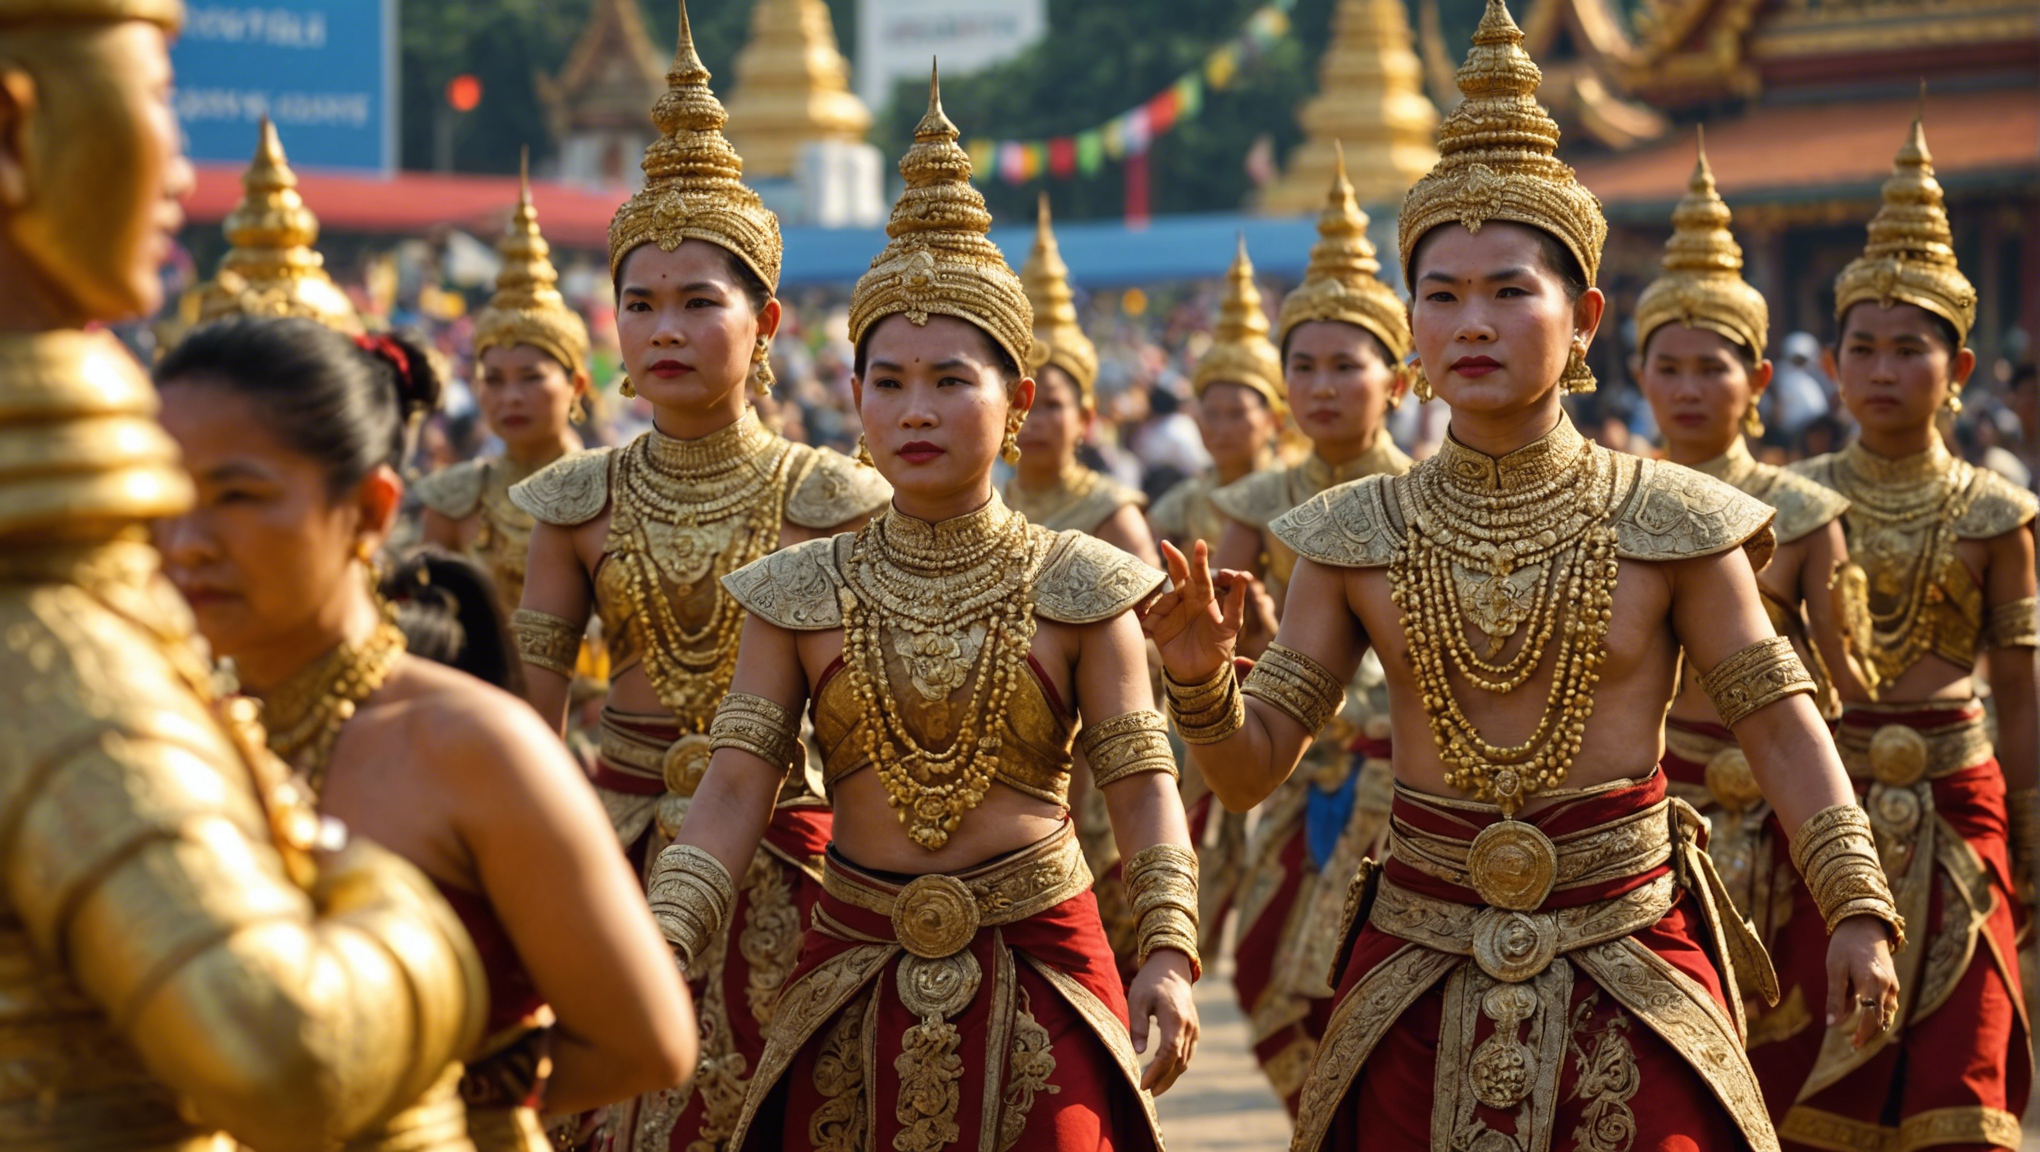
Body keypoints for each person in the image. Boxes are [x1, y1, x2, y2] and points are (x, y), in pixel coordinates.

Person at [1141, 4, 1902, 1149]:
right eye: (1441, 297)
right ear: (1411, 327)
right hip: (1418, 958)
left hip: (1630, 950)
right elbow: (1250, 775)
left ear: (1586, 317)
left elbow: (1785, 727)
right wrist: (1201, 685)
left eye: (1509, 291)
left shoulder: (1672, 520)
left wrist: (1857, 904)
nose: (1472, 323)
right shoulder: (1352, 533)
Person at [644, 68, 1196, 1152]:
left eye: (950, 380)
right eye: (886, 382)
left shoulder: (1083, 583)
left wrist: (1170, 948)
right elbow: (734, 789)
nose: (915, 410)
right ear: (853, 401)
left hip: (1042, 955)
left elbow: (1142, 788)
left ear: (1019, 399)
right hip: (849, 958)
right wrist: (663, 939)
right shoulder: (797, 592)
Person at [0, 1, 490, 1147]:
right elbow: (284, 1049)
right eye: (162, 100)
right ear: (12, 135)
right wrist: (391, 904)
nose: (180, 162)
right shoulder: (45, 635)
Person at [154, 316, 697, 1151]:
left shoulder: (473, 747)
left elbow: (642, 1043)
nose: (187, 544)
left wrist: (421, 1110)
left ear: (370, 510)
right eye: (168, 499)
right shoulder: (159, 735)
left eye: (237, 496)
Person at [510, 8, 889, 1148]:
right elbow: (537, 725)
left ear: (765, 320)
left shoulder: (835, 499)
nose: (663, 328)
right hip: (619, 840)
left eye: (697, 302)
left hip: (797, 847)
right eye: (639, 303)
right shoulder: (572, 502)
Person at [1772, 116, 2036, 1151]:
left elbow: (2017, 689)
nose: (1883, 370)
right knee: (1811, 1074)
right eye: (1863, 350)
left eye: (1909, 350)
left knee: (1961, 1081)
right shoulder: (1791, 506)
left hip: (1958, 801)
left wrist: (2033, 830)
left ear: (1957, 363)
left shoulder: (1998, 514)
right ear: (1832, 365)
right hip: (1827, 798)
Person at [1631, 137, 1867, 1072]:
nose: (1689, 389)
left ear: (1759, 382)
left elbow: (1843, 689)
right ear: (1637, 373)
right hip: (1655, 804)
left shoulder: (1804, 515)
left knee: (1794, 1062)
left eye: (1713, 368)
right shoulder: (1613, 507)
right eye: (1669, 367)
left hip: (1781, 806)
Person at [1205, 142, 1414, 1115]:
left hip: (1398, 773)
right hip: (1285, 768)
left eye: (1346, 365)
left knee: (1372, 981)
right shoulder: (1253, 501)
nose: (1322, 385)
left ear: (1397, 380)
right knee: (1265, 978)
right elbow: (1228, 643)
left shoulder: (1422, 501)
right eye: (1305, 367)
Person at [1148, 235, 1289, 961]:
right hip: (1200, 678)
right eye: (1212, 410)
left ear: (1274, 417)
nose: (1223, 425)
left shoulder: (1289, 499)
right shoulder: (1180, 506)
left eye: (1240, 411)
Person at [416, 154, 590, 618]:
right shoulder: (454, 498)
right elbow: (436, 627)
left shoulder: (621, 491)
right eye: (493, 379)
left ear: (577, 384)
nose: (510, 396)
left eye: (531, 378)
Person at [1004, 194, 1157, 566]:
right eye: (1021, 405)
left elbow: (1155, 620)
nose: (1033, 421)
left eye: (1052, 405)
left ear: (1086, 418)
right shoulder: (983, 505)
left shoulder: (1110, 512)